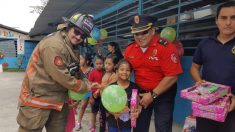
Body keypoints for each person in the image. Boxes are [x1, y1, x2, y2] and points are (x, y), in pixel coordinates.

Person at [16, 13, 94, 132]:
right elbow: (63, 77)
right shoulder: (53, 45)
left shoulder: (73, 47)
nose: (78, 37)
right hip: (36, 99)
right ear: (68, 27)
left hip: (59, 101)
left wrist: (85, 80)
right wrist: (85, 87)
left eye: (82, 36)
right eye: (76, 32)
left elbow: (76, 70)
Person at [124, 14, 183, 132]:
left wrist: (152, 95)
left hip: (163, 93)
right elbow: (123, 72)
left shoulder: (166, 47)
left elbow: (172, 76)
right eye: (136, 34)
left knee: (163, 127)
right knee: (139, 127)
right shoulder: (130, 49)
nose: (140, 37)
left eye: (144, 32)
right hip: (141, 94)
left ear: (152, 30)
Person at [190, 1, 235, 132]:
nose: (228, 22)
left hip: (232, 105)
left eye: (233, 18)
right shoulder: (205, 44)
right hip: (207, 104)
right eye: (223, 18)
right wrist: (198, 82)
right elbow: (194, 67)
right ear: (216, 20)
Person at [107, 59, 142, 132]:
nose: (124, 72)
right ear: (117, 71)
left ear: (131, 72)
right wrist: (113, 113)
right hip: (113, 123)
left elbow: (139, 104)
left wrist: (138, 112)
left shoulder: (134, 87)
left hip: (127, 124)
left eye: (127, 70)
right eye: (122, 69)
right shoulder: (111, 87)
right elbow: (107, 105)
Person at [92, 54, 119, 132]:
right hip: (103, 100)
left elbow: (110, 88)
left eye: (109, 64)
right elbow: (103, 84)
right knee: (101, 119)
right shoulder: (105, 73)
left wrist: (99, 87)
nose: (106, 66)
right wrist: (97, 91)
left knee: (109, 119)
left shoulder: (114, 75)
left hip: (110, 102)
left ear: (115, 65)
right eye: (105, 63)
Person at [74, 53, 93, 131]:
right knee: (75, 105)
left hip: (87, 91)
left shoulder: (91, 70)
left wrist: (91, 94)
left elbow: (91, 82)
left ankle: (81, 122)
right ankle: (78, 122)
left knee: (84, 106)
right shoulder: (77, 69)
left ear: (87, 61)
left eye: (81, 59)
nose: (79, 60)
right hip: (78, 90)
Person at [88, 55, 104, 132]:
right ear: (94, 63)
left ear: (103, 63)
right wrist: (90, 97)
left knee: (102, 113)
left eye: (100, 63)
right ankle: (93, 127)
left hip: (102, 96)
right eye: (97, 63)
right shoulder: (92, 73)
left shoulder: (105, 72)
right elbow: (89, 86)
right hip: (94, 97)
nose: (99, 65)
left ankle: (103, 127)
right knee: (93, 113)